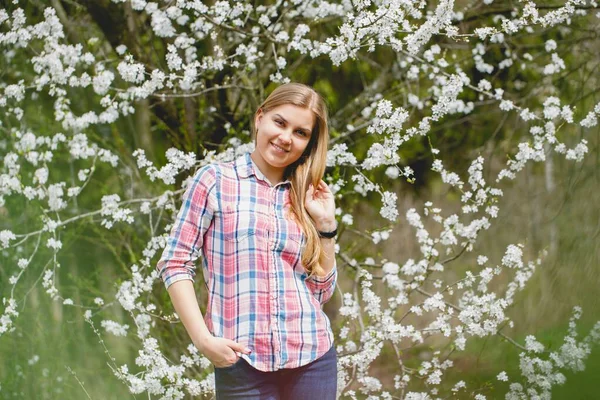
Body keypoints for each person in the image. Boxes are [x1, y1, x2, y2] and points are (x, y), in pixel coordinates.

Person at [156, 82, 339, 399]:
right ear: (260, 118)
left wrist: (325, 227)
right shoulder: (215, 181)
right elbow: (175, 263)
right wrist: (203, 340)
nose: (285, 138)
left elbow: (321, 291)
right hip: (241, 362)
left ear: (309, 143)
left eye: (300, 132)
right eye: (279, 122)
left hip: (313, 357)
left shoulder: (309, 195)